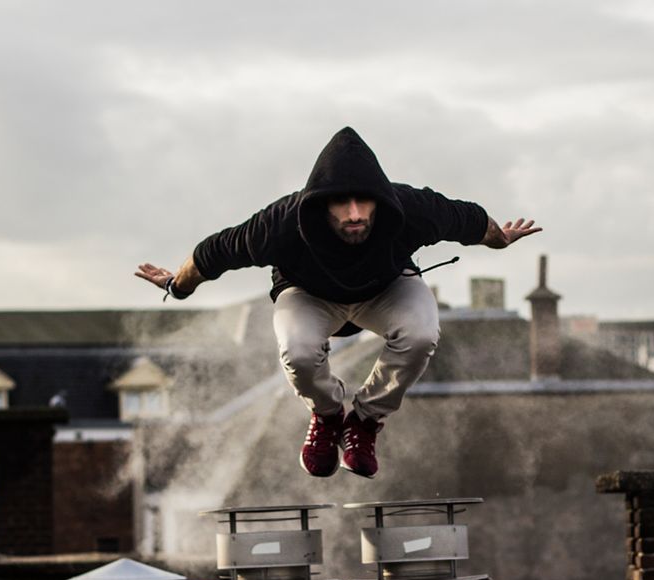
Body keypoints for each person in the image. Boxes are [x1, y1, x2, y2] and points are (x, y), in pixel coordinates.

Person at [136, 127, 540, 479]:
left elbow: (469, 220)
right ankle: (329, 416)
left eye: (363, 203)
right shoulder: (281, 222)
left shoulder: (411, 208)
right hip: (309, 295)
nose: (353, 215)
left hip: (386, 288)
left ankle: (364, 421)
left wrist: (499, 239)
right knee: (297, 350)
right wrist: (177, 285)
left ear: (379, 199)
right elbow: (211, 255)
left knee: (420, 334)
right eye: (340, 204)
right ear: (319, 202)